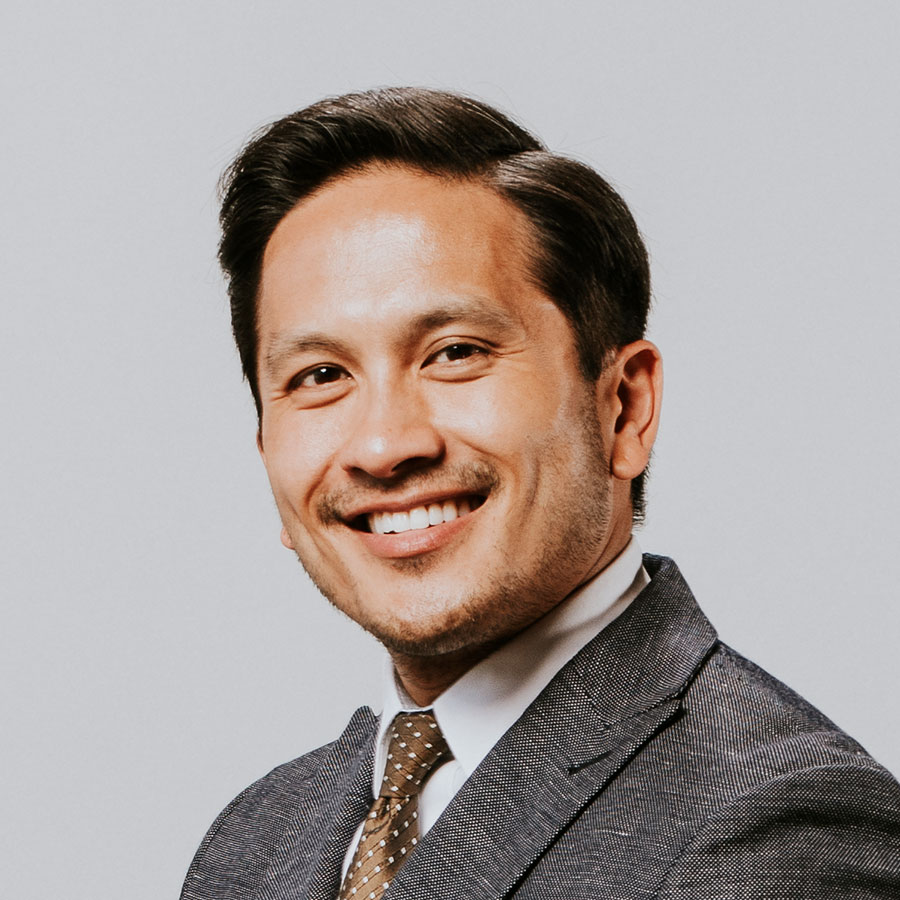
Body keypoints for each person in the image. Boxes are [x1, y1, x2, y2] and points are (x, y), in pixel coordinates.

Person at [181, 87, 900, 899]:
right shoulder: (258, 839)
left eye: (455, 353)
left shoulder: (778, 828)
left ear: (623, 406)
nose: (383, 445)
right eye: (320, 376)